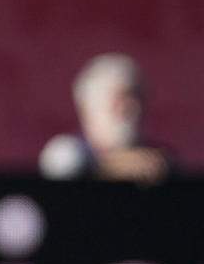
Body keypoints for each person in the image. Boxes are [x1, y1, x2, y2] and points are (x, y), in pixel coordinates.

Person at [39, 53, 169, 184]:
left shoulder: (158, 159)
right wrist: (113, 167)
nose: (133, 107)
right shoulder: (66, 150)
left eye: (139, 97)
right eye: (121, 98)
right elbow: (63, 169)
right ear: (90, 106)